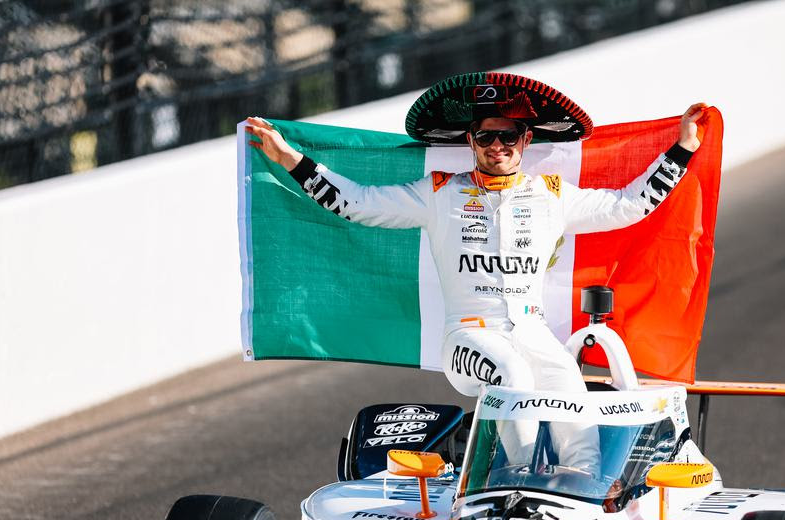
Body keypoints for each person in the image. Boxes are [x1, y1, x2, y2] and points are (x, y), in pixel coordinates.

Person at [245, 87, 703, 476]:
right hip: (467, 338)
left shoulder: (551, 196)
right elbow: (356, 202)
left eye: (508, 136)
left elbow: (628, 205)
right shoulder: (438, 192)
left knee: (567, 382)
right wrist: (290, 158)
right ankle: (518, 481)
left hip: (533, 333)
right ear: (471, 140)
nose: (497, 145)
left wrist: (682, 148)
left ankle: (581, 492)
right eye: (486, 136)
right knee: (512, 373)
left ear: (526, 140)